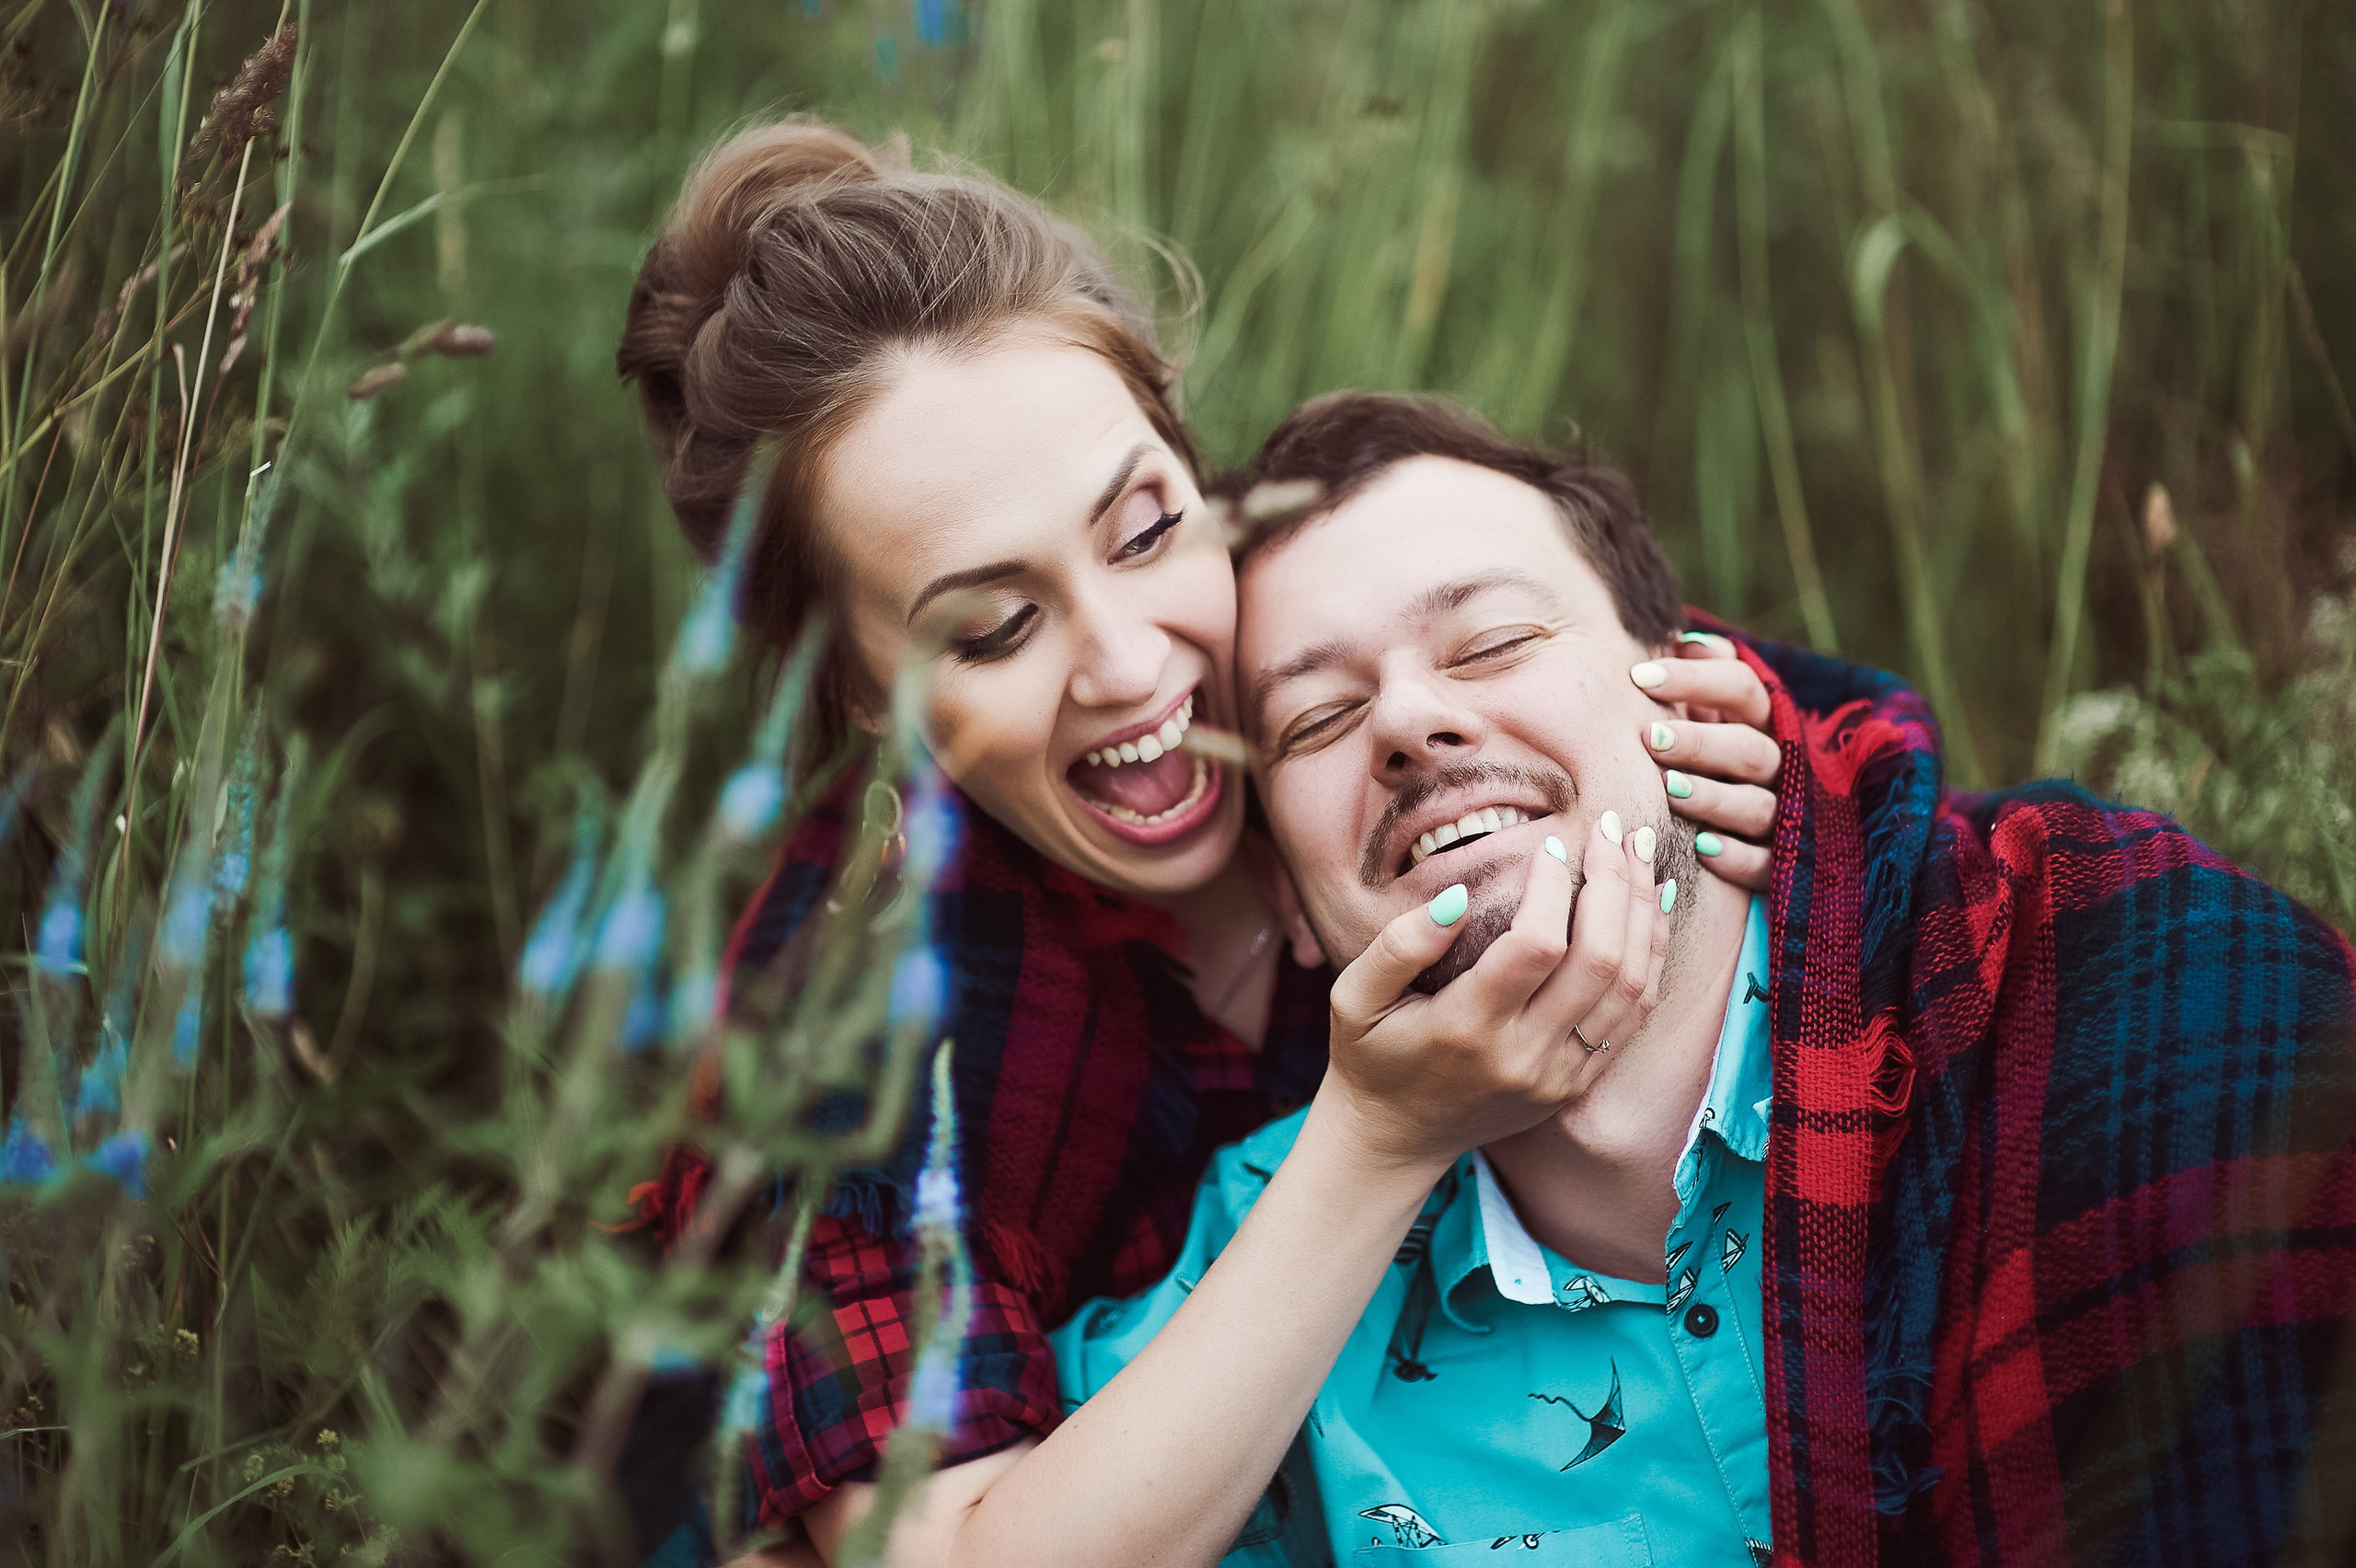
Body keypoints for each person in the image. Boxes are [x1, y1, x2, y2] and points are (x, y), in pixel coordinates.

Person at [611, 121, 1792, 1565]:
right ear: (855, 688)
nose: (1127, 666)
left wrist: (1730, 735)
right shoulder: (857, 1043)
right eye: (991, 628)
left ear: (1192, 464)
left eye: (1144, 529)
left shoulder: (1345, 633)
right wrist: (1378, 1136)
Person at [1053, 391, 2356, 1568]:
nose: (1403, 723)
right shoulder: (1246, 1295)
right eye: (1318, 720)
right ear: (1287, 896)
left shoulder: (2098, 968)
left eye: (1491, 640)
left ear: (1702, 690)